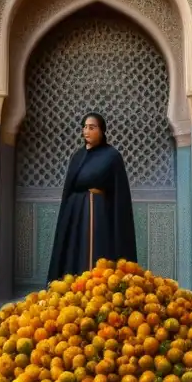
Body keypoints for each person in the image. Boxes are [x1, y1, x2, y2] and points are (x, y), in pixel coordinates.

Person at [47, 113, 138, 283]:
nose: (86, 131)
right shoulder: (78, 156)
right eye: (85, 127)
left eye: (92, 127)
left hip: (99, 212)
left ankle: (98, 290)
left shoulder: (112, 156)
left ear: (102, 130)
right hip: (75, 212)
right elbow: (69, 188)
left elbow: (119, 195)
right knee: (74, 250)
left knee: (97, 253)